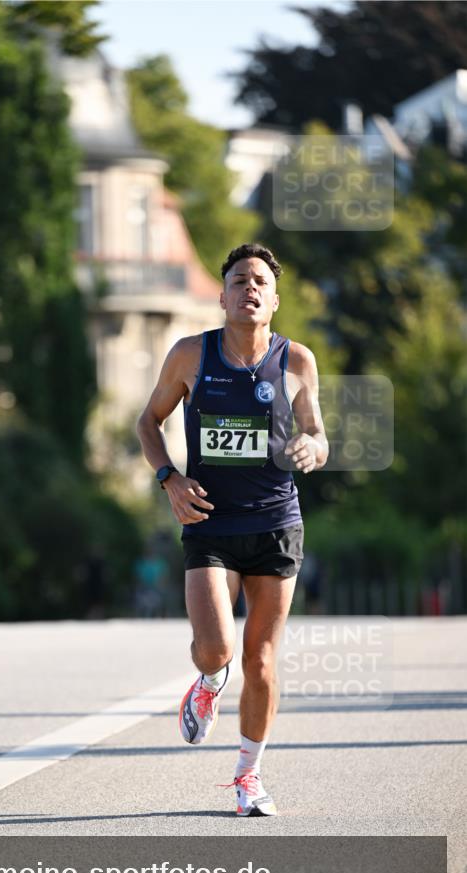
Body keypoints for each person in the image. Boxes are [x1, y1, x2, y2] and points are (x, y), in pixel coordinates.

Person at [136, 243, 328, 816]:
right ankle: (207, 682)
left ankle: (249, 776)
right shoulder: (191, 355)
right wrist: (169, 477)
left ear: (274, 300)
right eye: (239, 279)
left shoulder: (297, 362)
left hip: (275, 522)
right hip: (209, 522)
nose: (250, 288)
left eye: (260, 282)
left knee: (262, 659)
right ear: (220, 296)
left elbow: (317, 431)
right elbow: (149, 421)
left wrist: (313, 446)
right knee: (217, 648)